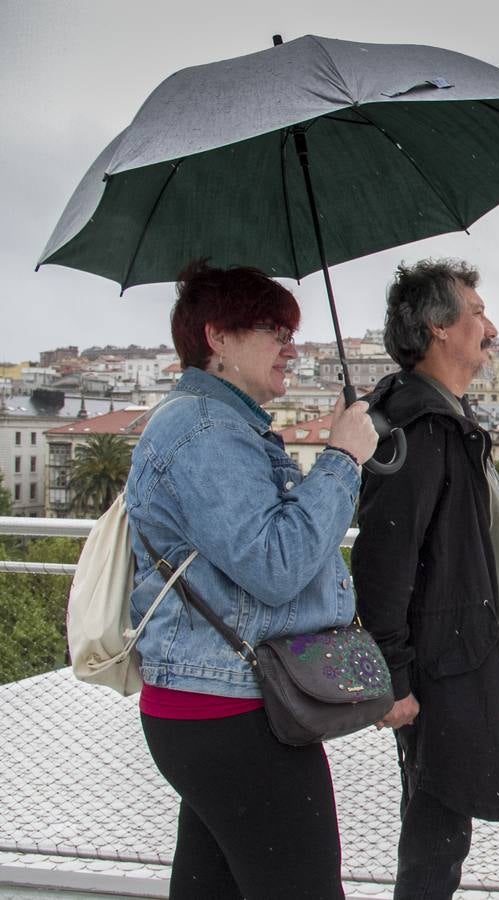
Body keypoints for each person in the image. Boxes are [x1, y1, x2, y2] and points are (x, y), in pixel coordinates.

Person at [126, 260, 379, 899]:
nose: (291, 347)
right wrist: (344, 458)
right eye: (273, 329)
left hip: (209, 706)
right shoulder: (207, 432)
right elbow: (276, 565)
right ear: (217, 338)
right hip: (233, 710)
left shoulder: (217, 424)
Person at [352, 258, 499, 899]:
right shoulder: (421, 427)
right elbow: (383, 562)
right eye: (477, 313)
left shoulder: (440, 417)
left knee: (441, 825)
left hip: (457, 653)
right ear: (438, 328)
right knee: (437, 832)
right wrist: (393, 679)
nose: (489, 327)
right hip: (439, 664)